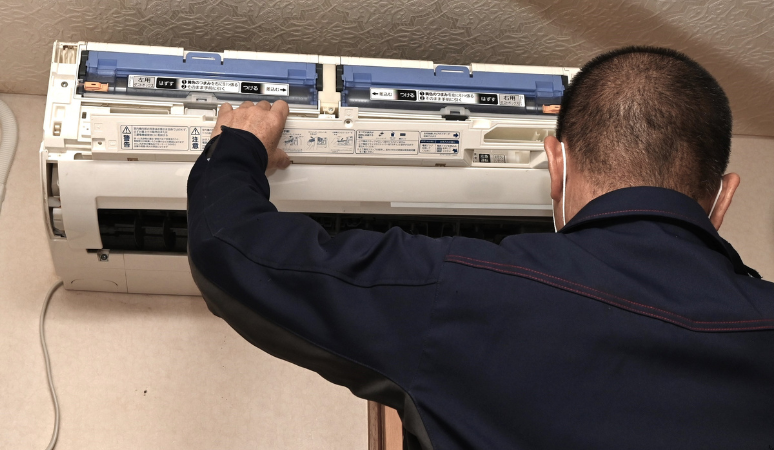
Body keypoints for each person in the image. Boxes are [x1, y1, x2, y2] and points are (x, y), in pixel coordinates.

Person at [186, 46, 774, 449]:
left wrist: (238, 147)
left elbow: (233, 248)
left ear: (556, 165)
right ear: (723, 197)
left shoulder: (463, 290)